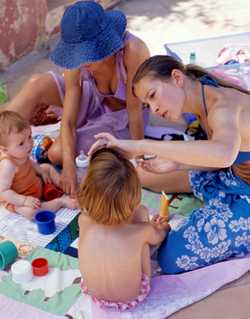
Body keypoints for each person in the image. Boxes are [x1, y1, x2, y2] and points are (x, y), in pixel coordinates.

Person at [88, 55, 250, 274]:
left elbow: (223, 155)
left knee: (170, 256)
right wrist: (176, 164)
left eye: (153, 96)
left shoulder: (223, 108)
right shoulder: (203, 96)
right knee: (142, 174)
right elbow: (223, 157)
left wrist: (143, 145)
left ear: (177, 78)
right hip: (231, 176)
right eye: (147, 104)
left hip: (244, 195)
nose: (153, 109)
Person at [4, 1, 150, 197]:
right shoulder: (76, 58)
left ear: (104, 44)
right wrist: (70, 170)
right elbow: (70, 119)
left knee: (57, 154)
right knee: (36, 84)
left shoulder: (133, 51)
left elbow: (134, 112)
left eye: (87, 55)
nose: (80, 61)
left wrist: (138, 158)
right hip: (90, 97)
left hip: (122, 116)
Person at [77, 148, 170, 311]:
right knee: (143, 223)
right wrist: (161, 227)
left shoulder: (83, 220)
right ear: (134, 198)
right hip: (130, 297)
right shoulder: (141, 230)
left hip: (92, 292)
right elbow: (159, 237)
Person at [0, 111, 77, 219]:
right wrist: (24, 200)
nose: (29, 144)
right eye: (21, 143)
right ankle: (60, 202)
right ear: (4, 149)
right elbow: (3, 192)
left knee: (47, 167)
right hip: (20, 197)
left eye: (30, 137)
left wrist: (41, 172)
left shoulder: (19, 152)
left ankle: (64, 187)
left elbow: (30, 162)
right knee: (31, 212)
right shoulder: (8, 165)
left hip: (33, 184)